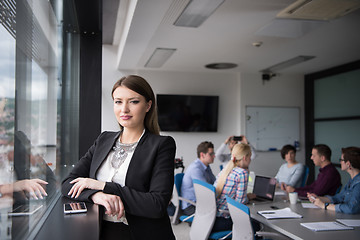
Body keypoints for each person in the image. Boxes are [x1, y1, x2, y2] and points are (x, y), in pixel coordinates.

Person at [61, 75, 176, 240]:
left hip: (141, 234)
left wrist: (103, 185)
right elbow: (67, 184)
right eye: (118, 101)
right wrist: (96, 195)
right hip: (100, 230)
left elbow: (156, 204)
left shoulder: (162, 145)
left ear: (148, 105)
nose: (124, 109)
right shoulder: (104, 139)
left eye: (133, 101)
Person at [212, 143, 256, 232]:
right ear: (245, 158)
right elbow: (240, 204)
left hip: (212, 218)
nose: (250, 160)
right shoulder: (242, 173)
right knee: (257, 225)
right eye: (250, 157)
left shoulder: (225, 170)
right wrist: (248, 197)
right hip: (225, 219)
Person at [308, 147, 360, 214]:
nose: (340, 162)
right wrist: (319, 198)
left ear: (348, 164)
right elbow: (338, 198)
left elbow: (351, 208)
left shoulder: (358, 183)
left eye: (341, 160)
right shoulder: (352, 180)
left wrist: (324, 206)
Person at [181, 141, 216, 216]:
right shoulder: (196, 169)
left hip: (200, 202)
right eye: (211, 154)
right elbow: (206, 191)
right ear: (202, 155)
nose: (214, 156)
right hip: (191, 206)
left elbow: (215, 182)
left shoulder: (206, 166)